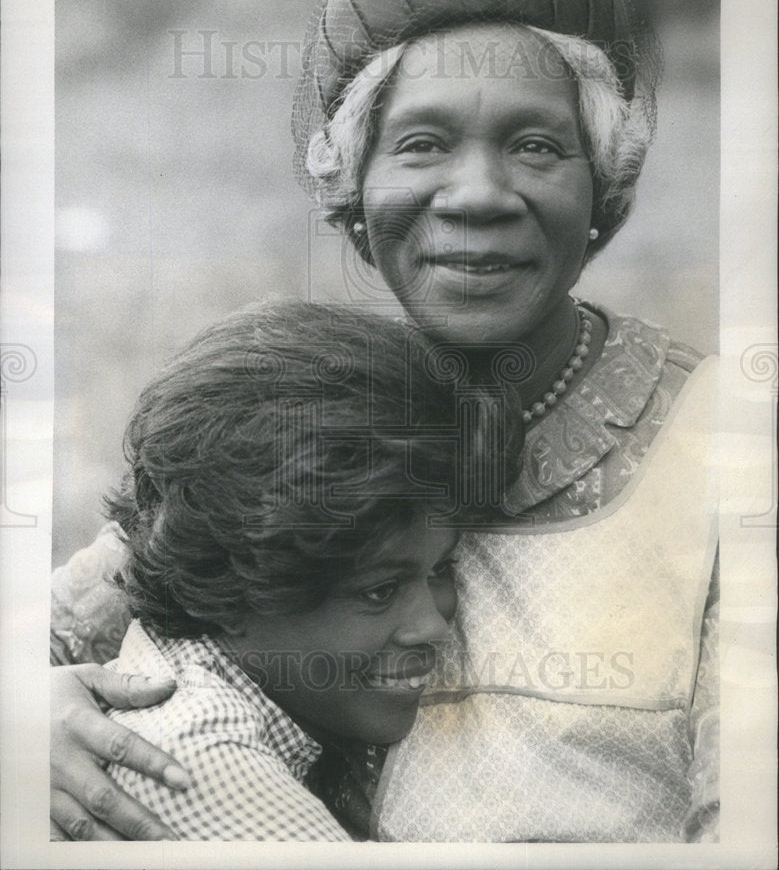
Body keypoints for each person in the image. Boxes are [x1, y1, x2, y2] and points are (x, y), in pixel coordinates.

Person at [50, 0, 719, 843]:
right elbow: (89, 613)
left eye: (536, 146)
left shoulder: (730, 449)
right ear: (351, 184)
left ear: (602, 186)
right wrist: (33, 717)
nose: (480, 194)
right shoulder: (288, 419)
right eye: (420, 144)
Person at [54, 298, 521, 840]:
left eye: (441, 569)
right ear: (230, 590)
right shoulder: (210, 769)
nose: (434, 627)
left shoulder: (212, 685)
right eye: (379, 590)